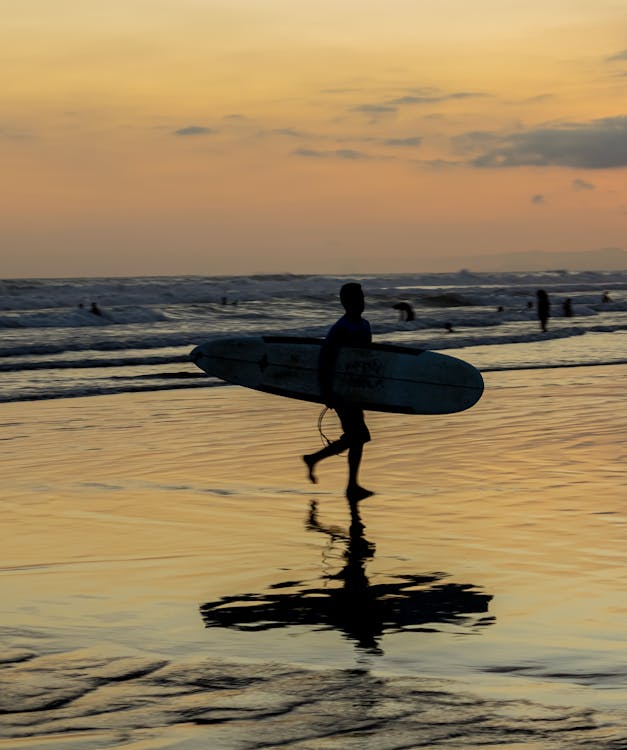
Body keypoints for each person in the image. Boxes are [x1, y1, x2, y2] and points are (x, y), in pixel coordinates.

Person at [303, 283, 373, 502]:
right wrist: (327, 392)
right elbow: (325, 360)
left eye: (361, 298)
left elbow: (365, 359)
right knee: (359, 436)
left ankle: (349, 482)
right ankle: (320, 463)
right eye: (355, 300)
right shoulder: (341, 328)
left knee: (357, 437)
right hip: (340, 390)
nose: (360, 303)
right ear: (345, 303)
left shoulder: (364, 325)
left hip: (354, 389)